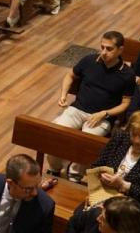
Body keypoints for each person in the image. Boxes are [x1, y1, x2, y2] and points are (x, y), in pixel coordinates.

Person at [49, 31, 135, 182]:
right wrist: (64, 95)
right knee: (56, 133)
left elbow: (125, 103)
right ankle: (55, 168)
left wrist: (105, 113)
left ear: (120, 50)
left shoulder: (127, 74)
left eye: (109, 49)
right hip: (77, 109)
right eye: (102, 47)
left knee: (88, 141)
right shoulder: (89, 60)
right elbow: (70, 75)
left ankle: (75, 173)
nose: (104, 52)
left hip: (101, 117)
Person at [90, 111, 140, 233]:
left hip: (135, 211)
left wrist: (123, 185)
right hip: (106, 197)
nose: (136, 140)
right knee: (85, 216)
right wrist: (103, 175)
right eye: (134, 135)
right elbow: (97, 165)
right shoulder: (119, 138)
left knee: (104, 223)